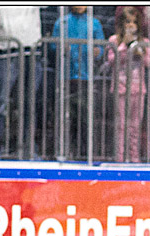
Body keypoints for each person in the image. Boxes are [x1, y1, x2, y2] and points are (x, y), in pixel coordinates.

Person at [0, 6, 45, 158]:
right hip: (6, 51)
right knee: (0, 103)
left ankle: (29, 148)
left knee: (30, 104)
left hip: (32, 51)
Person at [50, 5, 104, 160]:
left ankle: (84, 153)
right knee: (67, 117)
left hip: (86, 77)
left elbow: (101, 48)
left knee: (85, 118)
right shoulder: (62, 22)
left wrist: (98, 51)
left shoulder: (94, 23)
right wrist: (61, 47)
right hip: (66, 76)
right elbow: (53, 45)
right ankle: (65, 152)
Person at [107, 6, 150, 163]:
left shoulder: (144, 42)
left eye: (134, 22)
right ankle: (120, 157)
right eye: (128, 22)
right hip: (120, 89)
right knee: (121, 125)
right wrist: (124, 46)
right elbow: (111, 60)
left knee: (135, 125)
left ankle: (134, 157)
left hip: (138, 89)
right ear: (122, 23)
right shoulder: (114, 41)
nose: (131, 25)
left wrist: (141, 52)